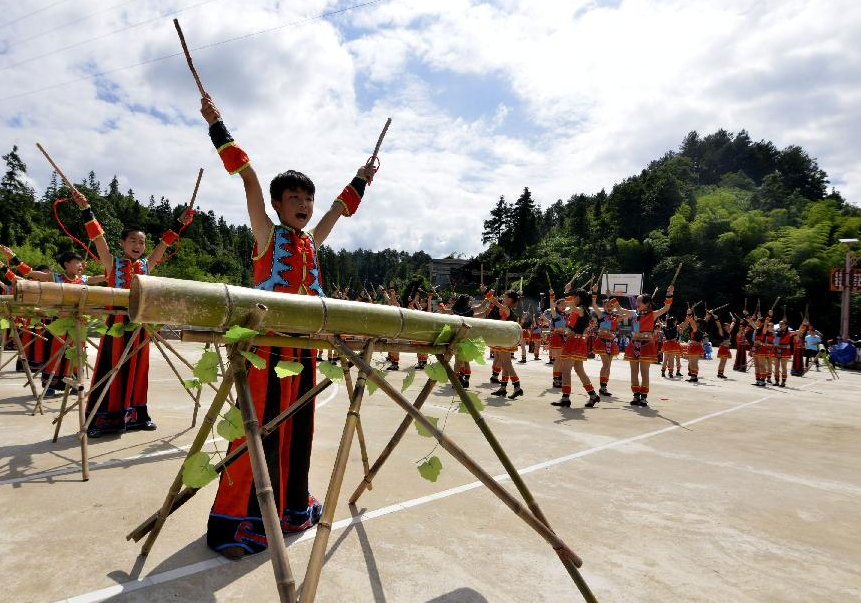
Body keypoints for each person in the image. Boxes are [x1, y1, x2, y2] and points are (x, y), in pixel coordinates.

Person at [200, 92, 374, 558]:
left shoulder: (313, 243)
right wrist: (218, 126)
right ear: (277, 206)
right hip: (264, 350)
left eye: (307, 198)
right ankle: (236, 521)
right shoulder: (266, 235)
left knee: (300, 432)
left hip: (302, 351)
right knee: (258, 431)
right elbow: (250, 179)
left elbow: (337, 210)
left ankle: (291, 506)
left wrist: (361, 179)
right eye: (293, 198)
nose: (303, 203)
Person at [71, 188, 193, 437]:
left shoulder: (147, 265)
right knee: (110, 369)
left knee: (138, 370)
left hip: (139, 325)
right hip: (116, 325)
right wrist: (86, 209)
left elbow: (163, 245)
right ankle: (100, 421)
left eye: (142, 242)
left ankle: (136, 418)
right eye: (133, 241)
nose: (139, 245)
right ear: (122, 243)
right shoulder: (111, 263)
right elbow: (98, 240)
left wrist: (179, 223)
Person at [0, 247, 107, 396]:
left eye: (82, 263)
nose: (81, 265)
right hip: (59, 322)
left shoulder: (85, 279)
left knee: (77, 354)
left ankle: (75, 384)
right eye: (77, 262)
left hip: (79, 322)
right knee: (56, 352)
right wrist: (13, 258)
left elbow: (103, 277)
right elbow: (29, 272)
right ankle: (50, 384)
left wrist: (112, 267)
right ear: (67, 264)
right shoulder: (54, 277)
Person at [614, 286, 675, 406]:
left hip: (647, 345)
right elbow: (621, 310)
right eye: (636, 301)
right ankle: (636, 395)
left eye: (639, 301)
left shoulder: (653, 314)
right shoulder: (634, 313)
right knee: (633, 371)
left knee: (644, 372)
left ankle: (644, 397)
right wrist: (614, 299)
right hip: (634, 343)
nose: (636, 303)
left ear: (647, 304)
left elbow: (666, 307)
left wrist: (669, 294)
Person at [553, 288, 601, 408]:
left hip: (575, 342)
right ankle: (593, 395)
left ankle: (565, 398)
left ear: (580, 298)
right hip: (577, 341)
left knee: (566, 370)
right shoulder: (581, 309)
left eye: (575, 296)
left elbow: (571, 307)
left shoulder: (580, 309)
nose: (573, 298)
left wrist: (567, 292)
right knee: (579, 370)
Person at [482, 288, 524, 399]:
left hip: (506, 340)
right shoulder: (503, 308)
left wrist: (487, 292)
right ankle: (503, 388)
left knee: (507, 363)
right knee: (505, 364)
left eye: (505, 296)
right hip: (501, 339)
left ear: (510, 299)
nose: (503, 297)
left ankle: (517, 387)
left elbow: (495, 302)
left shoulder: (507, 309)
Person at [591, 289, 619, 397]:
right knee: (606, 364)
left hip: (611, 341)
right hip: (602, 340)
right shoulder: (600, 315)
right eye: (607, 305)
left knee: (609, 365)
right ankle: (602, 387)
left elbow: (624, 313)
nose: (609, 307)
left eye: (611, 306)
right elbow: (593, 304)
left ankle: (604, 386)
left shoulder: (616, 316)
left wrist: (611, 297)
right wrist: (594, 292)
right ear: (604, 306)